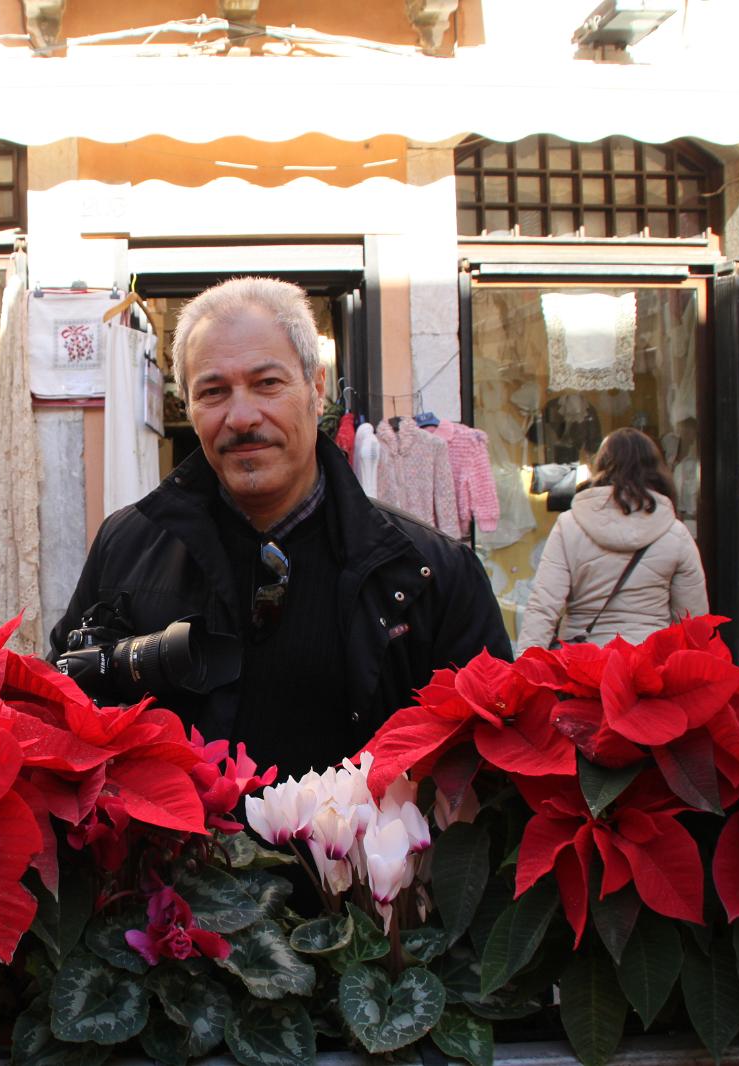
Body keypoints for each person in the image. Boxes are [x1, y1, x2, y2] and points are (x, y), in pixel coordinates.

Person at [49, 277, 510, 779]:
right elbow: (57, 711)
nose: (242, 417)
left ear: (316, 387)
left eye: (267, 383)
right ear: (189, 406)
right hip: (176, 832)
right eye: (213, 391)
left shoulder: (428, 572)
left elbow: (488, 773)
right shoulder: (126, 546)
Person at [517, 426, 709, 653]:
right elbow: (693, 622)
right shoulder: (675, 533)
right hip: (650, 661)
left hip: (584, 661)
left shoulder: (569, 526)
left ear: (601, 466)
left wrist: (526, 664)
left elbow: (543, 606)